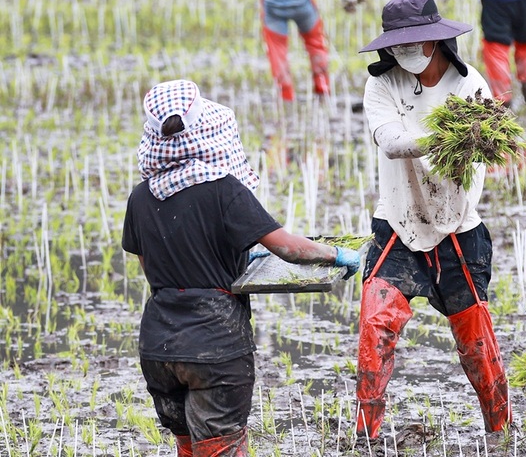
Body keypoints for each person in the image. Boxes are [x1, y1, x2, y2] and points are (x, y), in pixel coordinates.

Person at [121, 79, 361, 456]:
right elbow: (289, 249)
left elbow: (151, 267)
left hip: (158, 348)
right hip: (215, 346)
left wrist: (225, 260)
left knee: (187, 448)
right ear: (206, 129)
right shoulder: (223, 187)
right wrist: (335, 255)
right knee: (221, 449)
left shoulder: (140, 196)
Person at [354, 0, 511, 439]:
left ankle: (500, 429)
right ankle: (365, 435)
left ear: (436, 41)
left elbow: (482, 148)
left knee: (475, 339)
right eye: (396, 46)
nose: (404, 54)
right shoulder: (381, 85)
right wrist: (445, 139)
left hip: (457, 226)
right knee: (375, 326)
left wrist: (467, 138)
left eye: (413, 44)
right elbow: (390, 140)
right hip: (398, 222)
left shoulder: (470, 88)